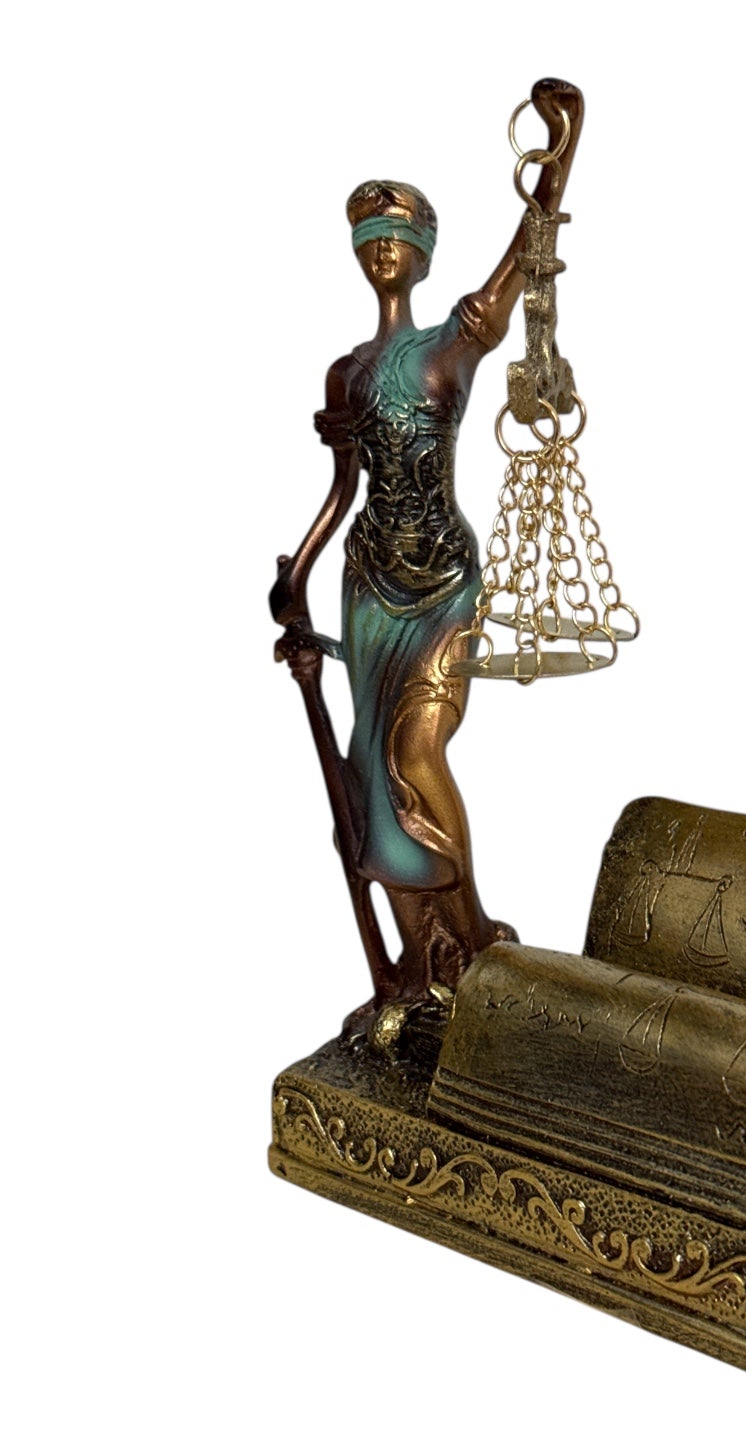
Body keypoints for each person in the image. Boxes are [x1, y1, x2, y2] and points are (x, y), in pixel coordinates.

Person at [272, 80, 583, 1022]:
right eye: (370, 239)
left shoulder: (455, 340)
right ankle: (423, 961)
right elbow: (342, 494)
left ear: (425, 253)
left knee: (417, 750)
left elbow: (523, 264)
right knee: (372, 773)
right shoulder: (349, 372)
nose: (383, 251)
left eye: (398, 238)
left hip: (444, 582)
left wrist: (559, 159)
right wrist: (297, 578)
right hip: (368, 583)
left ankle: (474, 932)